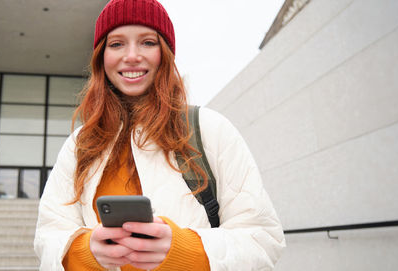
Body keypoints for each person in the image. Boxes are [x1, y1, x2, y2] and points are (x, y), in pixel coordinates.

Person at [34, 0, 285, 270]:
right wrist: (84, 252)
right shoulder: (79, 144)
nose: (131, 56)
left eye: (147, 42)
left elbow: (263, 240)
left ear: (165, 53)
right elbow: (48, 236)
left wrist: (182, 250)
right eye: (116, 44)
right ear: (101, 57)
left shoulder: (209, 129)